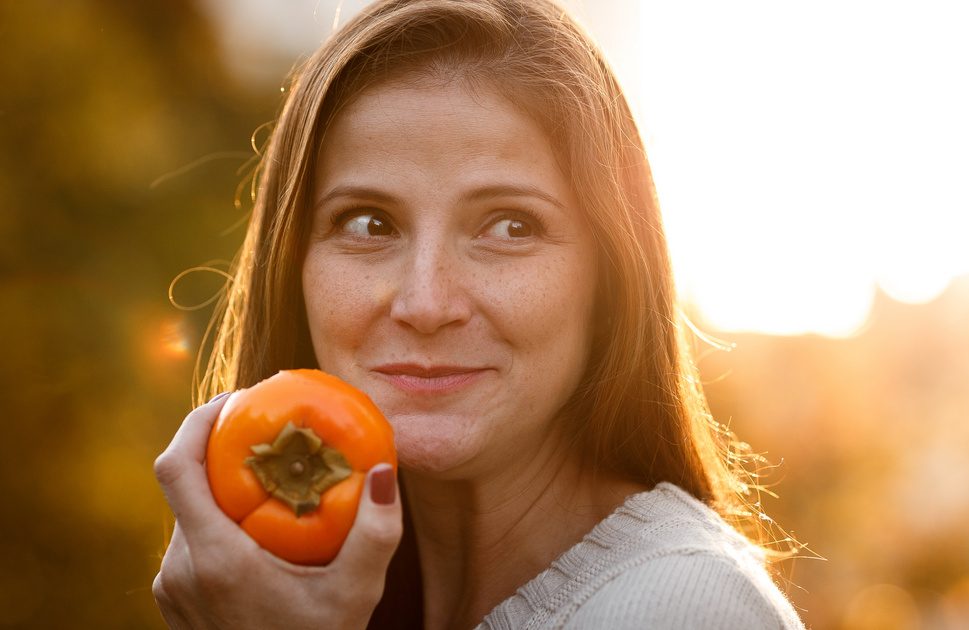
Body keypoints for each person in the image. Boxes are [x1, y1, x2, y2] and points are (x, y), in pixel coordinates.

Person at [152, 0, 805, 627]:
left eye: (510, 226)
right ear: (292, 269)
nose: (426, 303)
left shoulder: (681, 611)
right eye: (369, 222)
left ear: (610, 279)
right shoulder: (302, 599)